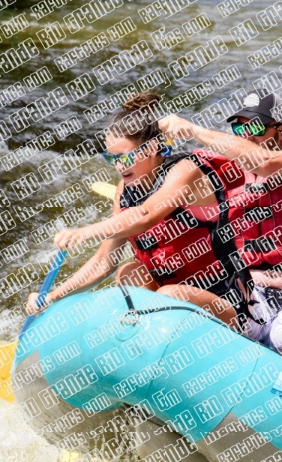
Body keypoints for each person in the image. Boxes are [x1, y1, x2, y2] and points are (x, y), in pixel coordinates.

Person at [26, 92, 245, 329]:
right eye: (112, 159)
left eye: (125, 157)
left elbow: (145, 216)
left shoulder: (186, 171)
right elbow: (103, 262)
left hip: (225, 300)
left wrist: (86, 232)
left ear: (151, 148)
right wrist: (52, 297)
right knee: (130, 273)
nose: (120, 166)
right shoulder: (125, 191)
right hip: (169, 302)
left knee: (171, 293)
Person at [157, 89, 282, 352]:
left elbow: (266, 163)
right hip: (245, 300)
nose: (247, 135)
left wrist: (192, 129)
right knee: (161, 289)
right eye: (238, 127)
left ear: (281, 130)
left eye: (256, 126)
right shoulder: (224, 174)